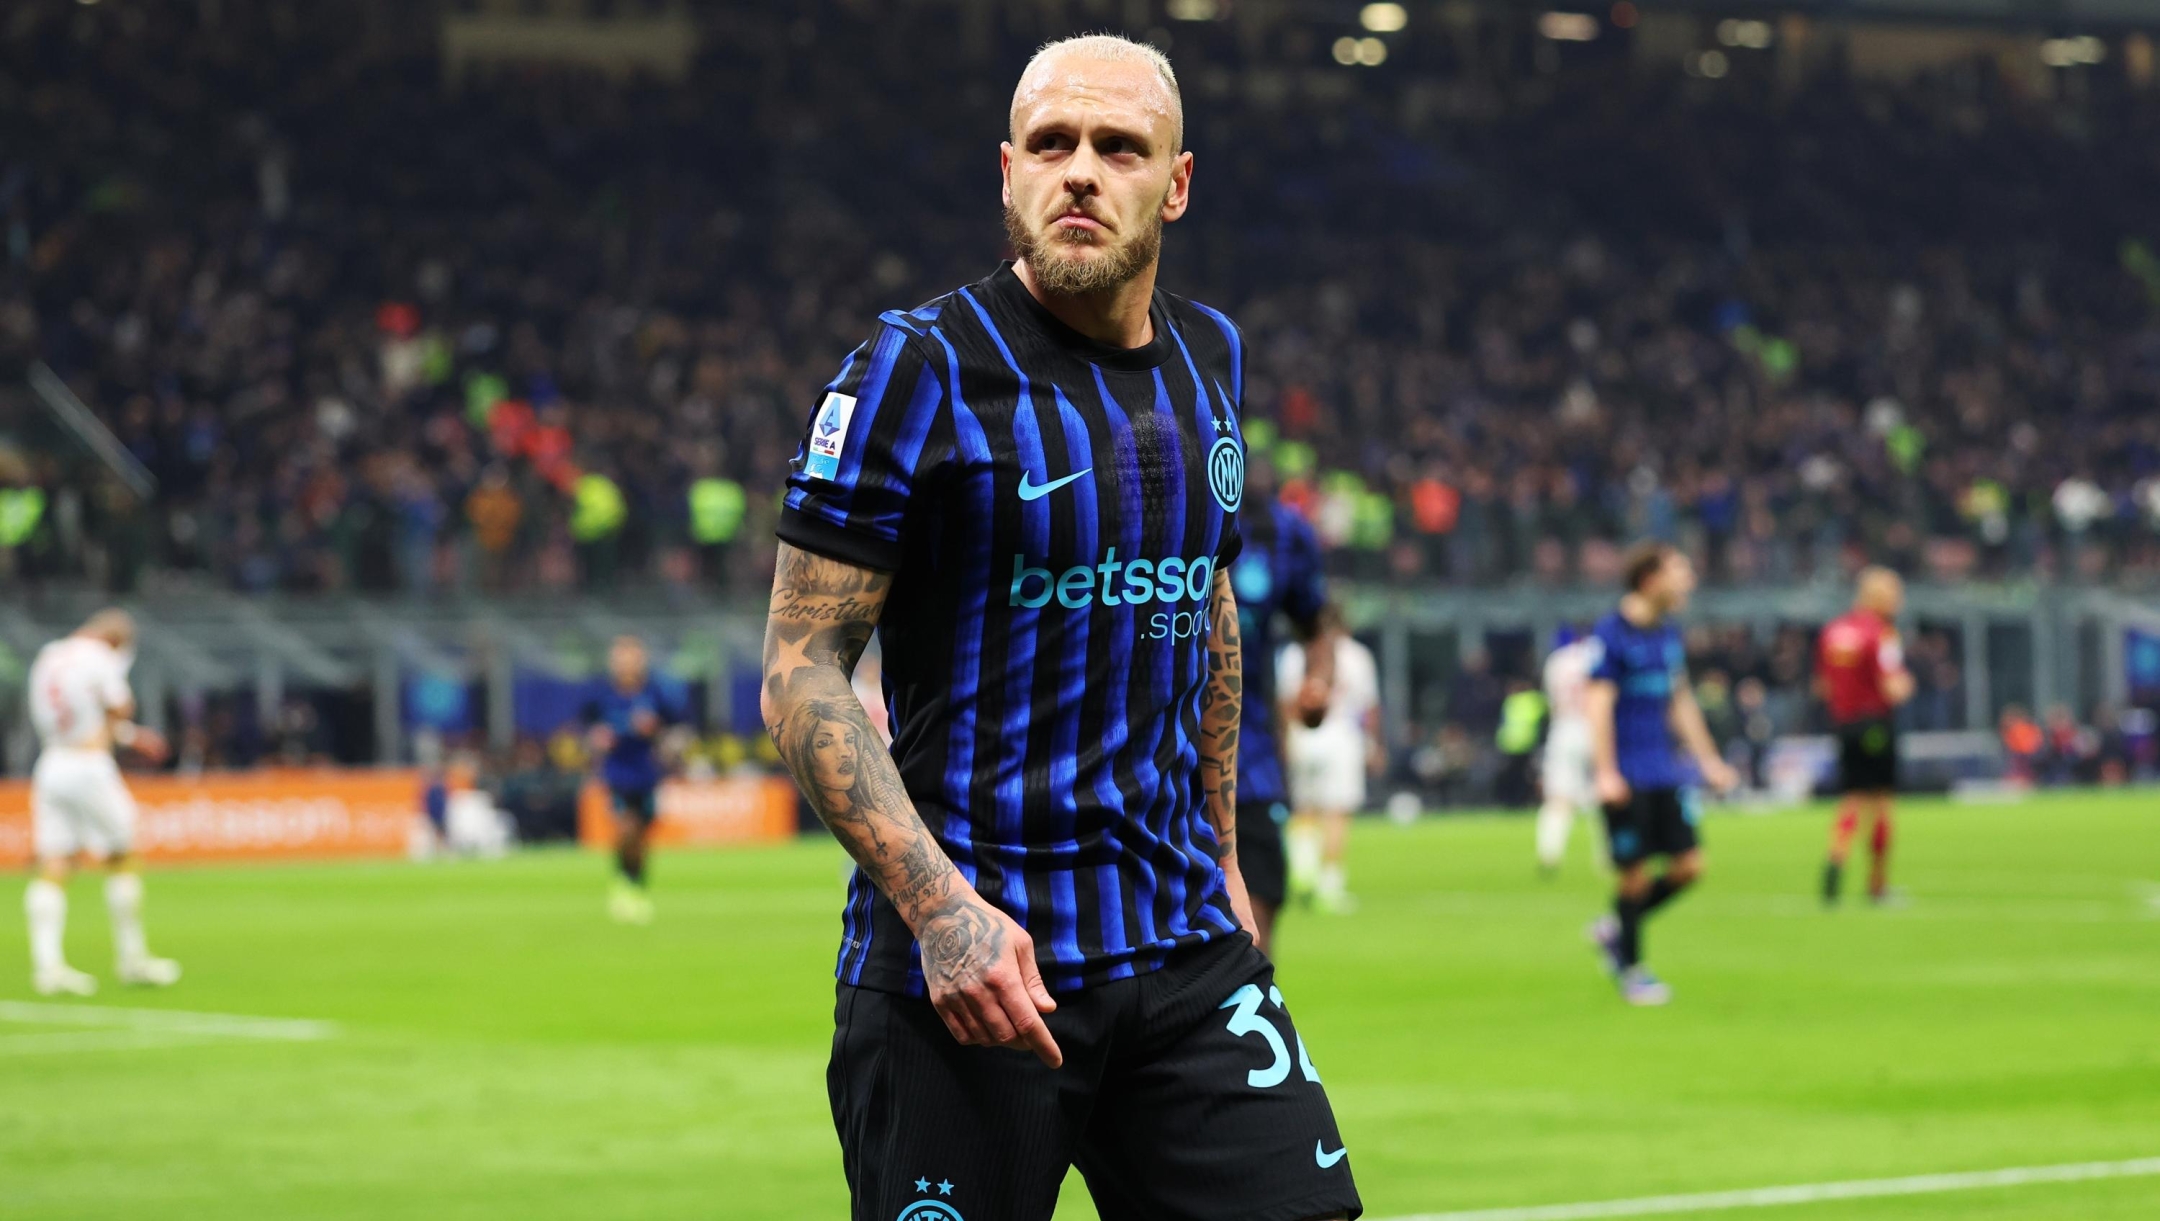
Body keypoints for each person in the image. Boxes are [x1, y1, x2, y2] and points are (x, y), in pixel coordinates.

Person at [760, 35, 1358, 1221]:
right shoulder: (914, 370)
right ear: (1008, 171)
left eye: (1118, 148)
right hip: (971, 977)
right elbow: (799, 668)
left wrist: (1226, 851)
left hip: (1181, 947)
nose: (1080, 170)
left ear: (1175, 185)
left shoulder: (1211, 358)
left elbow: (1209, 603)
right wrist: (939, 912)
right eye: (1052, 145)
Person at [1584, 544, 1738, 1006]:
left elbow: (1680, 702)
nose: (1688, 580)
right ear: (1650, 580)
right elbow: (1598, 705)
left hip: (1662, 772)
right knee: (1632, 877)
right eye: (1679, 571)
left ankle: (1616, 929)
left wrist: (1708, 760)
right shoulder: (1612, 634)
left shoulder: (1667, 635)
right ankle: (1632, 971)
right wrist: (1606, 772)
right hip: (1626, 775)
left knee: (1690, 867)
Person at [22, 609, 179, 996]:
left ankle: (48, 967)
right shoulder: (99, 658)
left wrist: (127, 736)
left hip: (52, 761)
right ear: (115, 641)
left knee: (55, 863)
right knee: (124, 853)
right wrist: (126, 727)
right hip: (89, 765)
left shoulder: (49, 655)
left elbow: (67, 713)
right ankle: (132, 958)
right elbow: (119, 705)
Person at [1229, 454, 1331, 952]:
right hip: (1147, 762)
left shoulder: (1282, 532)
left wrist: (1317, 683)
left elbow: (1316, 627)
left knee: (1259, 908)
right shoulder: (1136, 503)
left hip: (1248, 762)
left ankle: (1240, 1021)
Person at [1814, 567, 1915, 906]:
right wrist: (1906, 686)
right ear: (1878, 596)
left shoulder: (1834, 631)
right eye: (1894, 593)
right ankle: (1877, 885)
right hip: (1876, 724)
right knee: (1881, 802)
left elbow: (1824, 686)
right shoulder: (1882, 633)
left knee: (1852, 797)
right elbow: (1892, 685)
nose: (1898, 601)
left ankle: (1836, 855)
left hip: (1844, 724)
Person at [1280, 606, 1381, 915]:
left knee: (1303, 809)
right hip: (1340, 736)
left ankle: (1303, 871)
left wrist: (1285, 740)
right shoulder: (1356, 655)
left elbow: (1284, 702)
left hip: (1302, 737)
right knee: (1336, 812)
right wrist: (1374, 744)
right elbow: (1369, 705)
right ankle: (1330, 884)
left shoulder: (1294, 653)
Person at [582, 636, 685, 925]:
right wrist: (597, 739)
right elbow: (586, 728)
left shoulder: (654, 692)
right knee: (625, 828)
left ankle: (636, 886)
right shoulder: (601, 693)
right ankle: (622, 884)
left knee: (641, 836)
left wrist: (656, 731)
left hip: (646, 771)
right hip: (617, 771)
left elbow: (674, 726)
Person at [1535, 625, 1608, 876]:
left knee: (1558, 799)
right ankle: (1609, 857)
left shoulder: (1556, 661)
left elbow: (1553, 702)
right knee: (1604, 795)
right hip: (1595, 727)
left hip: (1565, 729)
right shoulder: (1598, 655)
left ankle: (1549, 855)